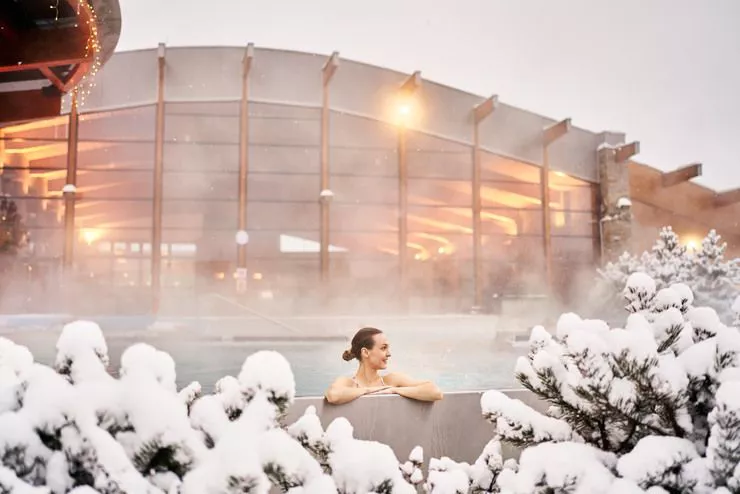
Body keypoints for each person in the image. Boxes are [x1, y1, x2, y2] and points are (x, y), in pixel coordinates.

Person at [324, 327, 443, 405]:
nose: (389, 354)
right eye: (383, 348)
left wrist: (394, 390)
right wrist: (369, 390)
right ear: (365, 352)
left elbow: (435, 391)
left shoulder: (392, 381)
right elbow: (333, 395)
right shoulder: (348, 383)